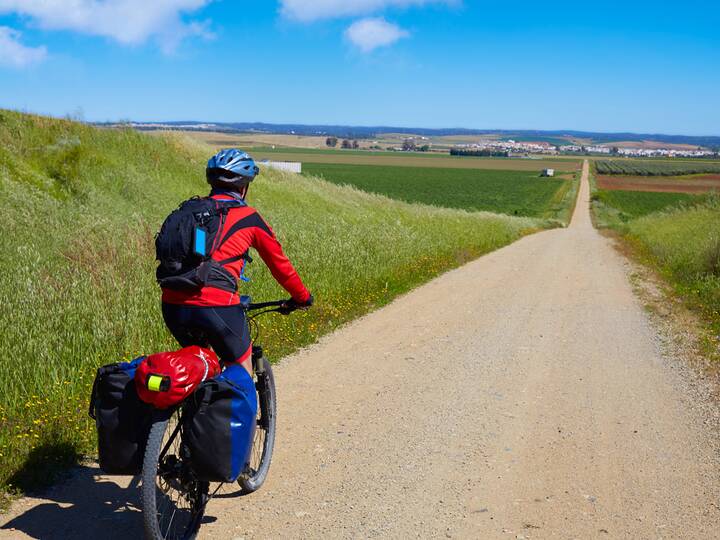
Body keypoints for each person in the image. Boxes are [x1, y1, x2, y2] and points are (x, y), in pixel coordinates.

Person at [160, 149, 313, 374]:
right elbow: (280, 265)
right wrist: (301, 297)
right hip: (217, 306)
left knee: (201, 367)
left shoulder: (193, 212)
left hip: (172, 305)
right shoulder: (249, 218)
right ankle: (239, 405)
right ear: (244, 187)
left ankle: (195, 403)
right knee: (241, 369)